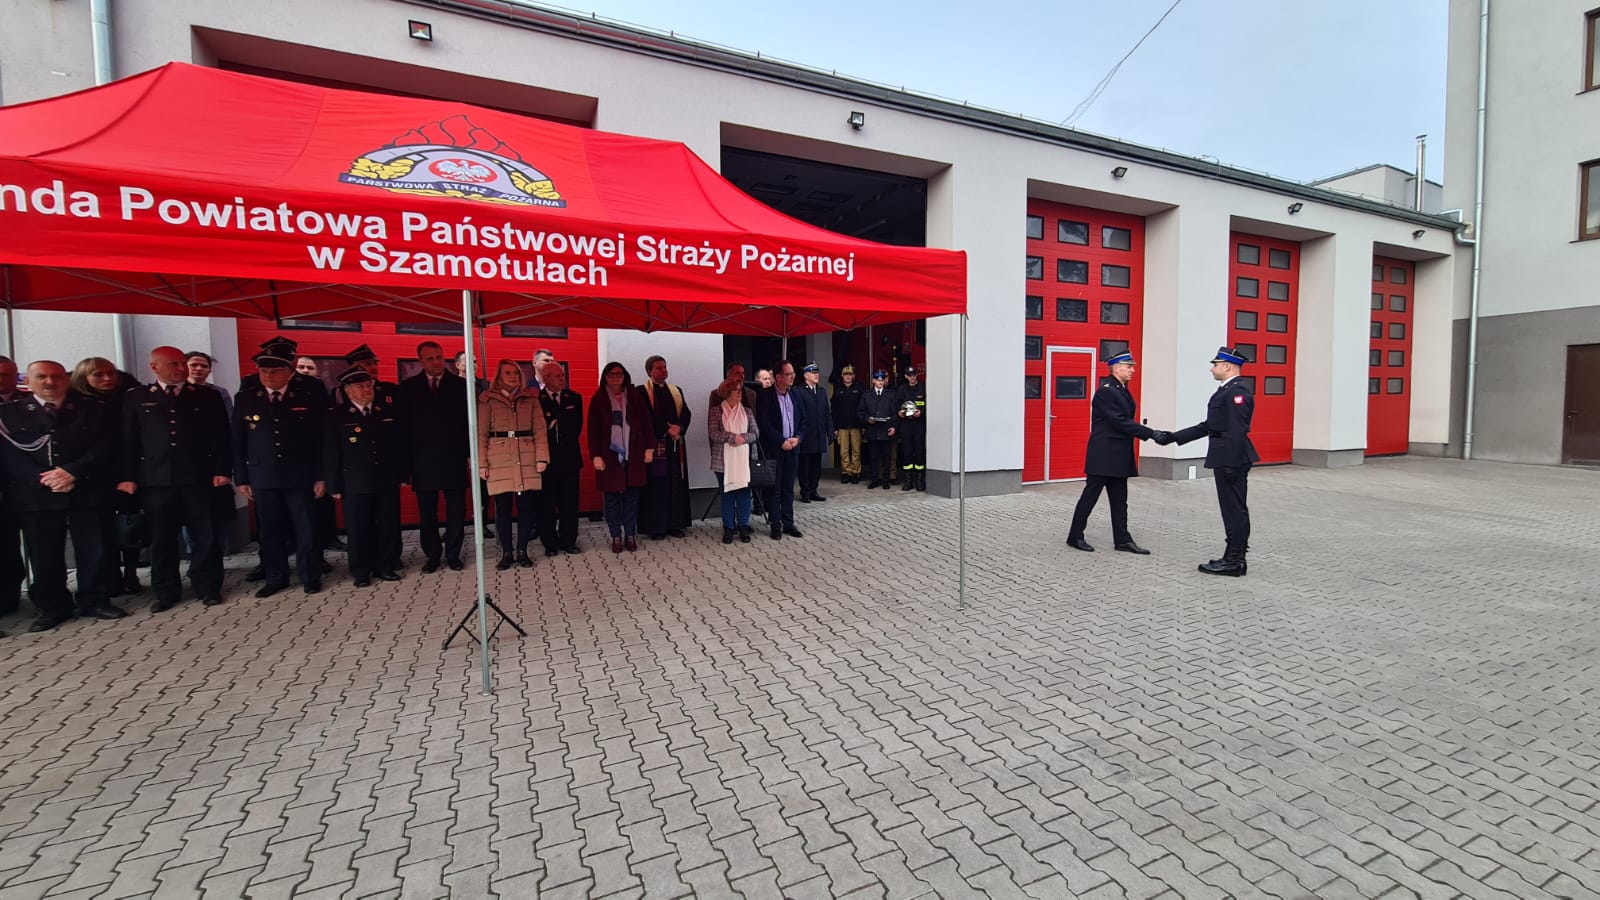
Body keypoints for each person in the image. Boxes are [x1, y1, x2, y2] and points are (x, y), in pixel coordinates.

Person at [0, 361, 127, 631]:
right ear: (28, 381)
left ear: (67, 380)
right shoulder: (8, 414)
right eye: (42, 377)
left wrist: (71, 472)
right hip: (36, 495)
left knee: (93, 549)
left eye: (56, 377)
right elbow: (8, 456)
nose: (50, 382)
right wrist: (45, 479)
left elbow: (105, 445)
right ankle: (53, 607)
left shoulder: (93, 409)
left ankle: (95, 600)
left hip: (85, 488)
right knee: (44, 554)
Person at [118, 346, 232, 611]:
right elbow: (128, 440)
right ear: (154, 367)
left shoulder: (206, 395)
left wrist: (223, 470)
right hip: (156, 479)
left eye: (182, 364)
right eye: (174, 364)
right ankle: (166, 591)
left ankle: (207, 586)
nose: (181, 369)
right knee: (162, 538)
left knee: (205, 536)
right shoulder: (137, 397)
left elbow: (221, 436)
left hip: (199, 477)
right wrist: (127, 476)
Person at [233, 338, 326, 597]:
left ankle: (310, 576)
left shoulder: (306, 396)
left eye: (274, 371)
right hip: (263, 475)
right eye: (264, 371)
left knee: (306, 529)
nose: (268, 376)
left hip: (300, 474)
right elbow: (238, 440)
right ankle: (276, 577)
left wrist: (321, 476)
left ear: (289, 371)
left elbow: (320, 439)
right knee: (270, 531)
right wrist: (241, 478)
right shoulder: (246, 398)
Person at [1160, 346, 1260, 576]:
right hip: (1225, 456)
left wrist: (1232, 463)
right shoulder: (1226, 390)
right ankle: (1233, 557)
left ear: (1227, 366)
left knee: (1234, 510)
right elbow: (1209, 426)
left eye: (1215, 365)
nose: (1211, 369)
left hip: (1231, 458)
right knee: (1230, 509)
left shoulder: (1238, 392)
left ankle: (1235, 560)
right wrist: (1174, 437)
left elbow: (1237, 430)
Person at [1066, 352, 1167, 555]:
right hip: (1104, 455)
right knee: (1090, 497)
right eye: (1128, 366)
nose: (1132, 370)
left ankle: (1122, 540)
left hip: (1118, 455)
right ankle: (1075, 536)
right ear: (1116, 367)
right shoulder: (1106, 391)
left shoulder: (1121, 389)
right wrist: (1151, 433)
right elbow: (1119, 421)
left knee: (1120, 500)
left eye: (1132, 366)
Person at [324, 366, 407, 587]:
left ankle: (385, 566)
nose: (366, 389)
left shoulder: (385, 411)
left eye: (369, 385)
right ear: (348, 390)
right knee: (359, 528)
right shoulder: (337, 416)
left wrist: (402, 474)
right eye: (360, 386)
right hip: (355, 482)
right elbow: (332, 453)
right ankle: (361, 571)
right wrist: (334, 485)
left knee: (387, 525)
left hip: (385, 479)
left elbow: (398, 446)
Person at [72, 357, 144, 596]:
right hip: (91, 475)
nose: (107, 379)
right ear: (84, 378)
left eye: (111, 373)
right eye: (98, 375)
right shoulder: (74, 404)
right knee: (100, 532)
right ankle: (108, 579)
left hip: (127, 470)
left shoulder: (130, 396)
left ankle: (131, 573)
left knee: (130, 524)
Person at [401, 341, 471, 573]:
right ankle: (432, 555)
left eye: (439, 357)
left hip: (453, 458)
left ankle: (453, 554)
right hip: (423, 461)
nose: (436, 362)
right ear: (421, 361)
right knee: (427, 512)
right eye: (430, 358)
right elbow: (404, 428)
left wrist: (470, 456)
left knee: (456, 510)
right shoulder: (408, 387)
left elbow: (469, 424)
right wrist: (407, 463)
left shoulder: (461, 385)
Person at [478, 359, 550, 569]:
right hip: (499, 459)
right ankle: (507, 552)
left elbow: (540, 430)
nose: (512, 376)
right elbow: (481, 435)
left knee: (526, 508)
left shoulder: (531, 399)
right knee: (503, 509)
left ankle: (522, 550)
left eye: (515, 373)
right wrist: (482, 463)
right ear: (499, 376)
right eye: (507, 373)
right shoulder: (487, 400)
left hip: (526, 457)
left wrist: (541, 458)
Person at [586, 361, 653, 553]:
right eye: (611, 374)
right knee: (612, 500)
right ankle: (616, 536)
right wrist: (596, 455)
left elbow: (646, 424)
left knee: (632, 499)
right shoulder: (599, 398)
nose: (616, 378)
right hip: (609, 455)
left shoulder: (634, 396)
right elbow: (593, 430)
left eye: (619, 374)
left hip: (634, 455)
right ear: (605, 377)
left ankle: (630, 535)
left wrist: (649, 449)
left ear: (625, 376)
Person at [636, 355, 692, 539]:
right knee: (657, 486)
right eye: (659, 368)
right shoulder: (642, 392)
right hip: (656, 445)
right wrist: (666, 429)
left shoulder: (676, 391)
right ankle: (656, 527)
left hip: (675, 445)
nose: (663, 371)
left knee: (676, 483)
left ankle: (676, 524)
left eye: (665, 367)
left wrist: (679, 427)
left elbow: (686, 413)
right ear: (649, 371)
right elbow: (645, 417)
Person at [536, 360, 585, 557]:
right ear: (546, 378)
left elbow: (576, 426)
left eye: (563, 375)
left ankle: (568, 541)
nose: (562, 379)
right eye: (558, 376)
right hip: (547, 460)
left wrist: (556, 421)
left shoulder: (573, 397)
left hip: (569, 458)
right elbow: (539, 429)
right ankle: (549, 542)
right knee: (546, 503)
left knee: (570, 503)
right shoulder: (537, 400)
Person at [707, 364, 759, 543]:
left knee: (744, 494)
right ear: (727, 392)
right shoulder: (716, 411)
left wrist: (742, 438)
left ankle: (743, 526)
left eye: (740, 391)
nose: (739, 393)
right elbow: (713, 433)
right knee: (727, 495)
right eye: (736, 391)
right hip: (722, 461)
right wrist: (732, 437)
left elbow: (755, 433)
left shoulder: (747, 411)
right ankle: (729, 527)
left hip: (745, 460)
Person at [755, 360, 806, 539]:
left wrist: (798, 438)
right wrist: (780, 441)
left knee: (788, 489)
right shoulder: (765, 395)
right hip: (775, 449)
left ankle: (788, 523)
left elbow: (803, 420)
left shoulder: (796, 394)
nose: (792, 377)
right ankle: (775, 524)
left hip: (793, 448)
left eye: (793, 373)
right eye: (788, 374)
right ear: (778, 377)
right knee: (774, 489)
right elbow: (764, 423)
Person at [0, 355, 26, 620]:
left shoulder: (28, 402)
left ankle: (11, 597)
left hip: (26, 485)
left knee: (15, 548)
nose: (2, 380)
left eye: (6, 374)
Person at [793, 363, 834, 503]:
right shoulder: (799, 391)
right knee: (804, 465)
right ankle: (805, 492)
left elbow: (827, 413)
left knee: (816, 465)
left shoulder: (821, 391)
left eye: (817, 373)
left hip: (819, 434)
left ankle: (813, 490)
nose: (817, 375)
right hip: (806, 435)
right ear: (806, 375)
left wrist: (830, 431)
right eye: (813, 373)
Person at [858, 369, 898, 490]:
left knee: (886, 457)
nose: (880, 382)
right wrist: (867, 419)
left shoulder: (891, 394)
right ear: (873, 381)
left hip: (886, 430)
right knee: (873, 457)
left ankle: (886, 480)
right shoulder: (866, 395)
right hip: (873, 430)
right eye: (878, 380)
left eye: (882, 380)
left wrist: (894, 426)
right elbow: (860, 411)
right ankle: (874, 479)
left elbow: (895, 412)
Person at [831, 365, 865, 484]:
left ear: (853, 376)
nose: (848, 377)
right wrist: (835, 427)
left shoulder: (859, 389)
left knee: (856, 451)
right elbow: (834, 410)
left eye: (850, 374)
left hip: (856, 425)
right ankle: (846, 472)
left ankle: (855, 472)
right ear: (842, 376)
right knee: (843, 451)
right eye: (845, 375)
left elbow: (863, 408)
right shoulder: (837, 390)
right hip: (842, 426)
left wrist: (863, 425)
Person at [897, 364, 928, 491]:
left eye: (914, 375)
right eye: (910, 375)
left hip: (919, 424)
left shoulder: (923, 388)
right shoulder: (901, 389)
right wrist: (899, 413)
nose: (912, 377)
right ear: (906, 376)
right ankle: (908, 480)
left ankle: (920, 481)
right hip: (906, 425)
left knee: (920, 451)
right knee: (907, 452)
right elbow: (896, 405)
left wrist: (922, 412)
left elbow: (929, 404)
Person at [186, 351, 233, 419]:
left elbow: (229, 418)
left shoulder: (220, 392)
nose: (199, 368)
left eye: (204, 366)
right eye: (194, 365)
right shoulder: (175, 391)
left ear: (210, 370)